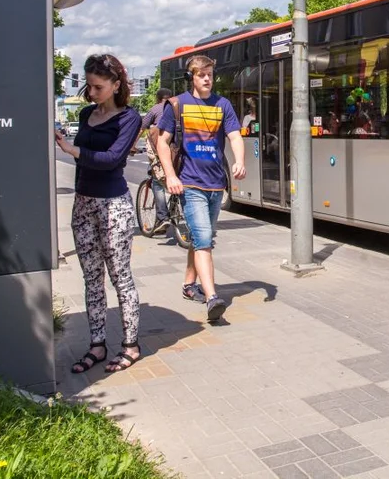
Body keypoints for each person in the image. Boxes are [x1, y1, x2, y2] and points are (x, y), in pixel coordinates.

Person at [55, 54, 143, 374]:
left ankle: (131, 345)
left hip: (114, 205)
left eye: (99, 87)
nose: (92, 93)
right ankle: (97, 345)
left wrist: (73, 150)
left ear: (116, 85)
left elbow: (112, 158)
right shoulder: (85, 113)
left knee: (120, 277)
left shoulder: (129, 118)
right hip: (84, 204)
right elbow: (85, 161)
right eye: (89, 86)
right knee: (92, 278)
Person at [156, 55, 247, 321]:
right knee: (205, 238)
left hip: (216, 183)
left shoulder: (223, 105)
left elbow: (234, 136)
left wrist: (239, 160)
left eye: (210, 74)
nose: (207, 78)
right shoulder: (178, 105)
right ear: (192, 78)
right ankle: (212, 297)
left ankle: (188, 285)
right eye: (201, 74)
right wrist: (171, 176)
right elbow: (163, 143)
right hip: (190, 183)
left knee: (199, 237)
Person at [138, 88, 174, 233]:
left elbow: (141, 128)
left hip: (161, 150)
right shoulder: (178, 108)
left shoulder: (155, 109)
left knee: (157, 182)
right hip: (179, 151)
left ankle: (162, 217)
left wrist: (132, 145)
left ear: (158, 99)